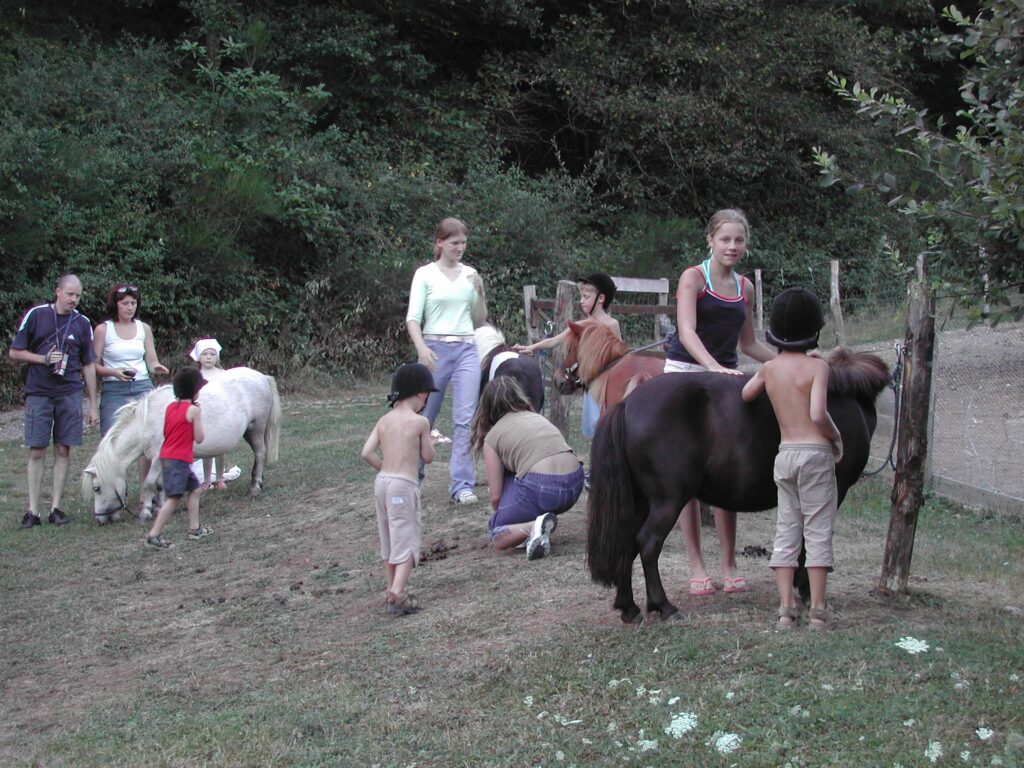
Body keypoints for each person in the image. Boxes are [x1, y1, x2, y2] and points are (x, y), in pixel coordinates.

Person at [662, 208, 777, 596]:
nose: (732, 246)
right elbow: (687, 331)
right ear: (710, 239)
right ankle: (696, 566)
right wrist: (712, 368)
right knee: (687, 476)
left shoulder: (745, 287)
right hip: (686, 375)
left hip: (725, 378)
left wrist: (789, 362)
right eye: (725, 239)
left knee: (730, 469)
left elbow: (748, 344)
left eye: (738, 240)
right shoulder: (693, 278)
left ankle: (730, 564)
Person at [741, 287, 843, 629]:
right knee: (817, 530)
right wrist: (836, 436)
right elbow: (817, 414)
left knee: (787, 529)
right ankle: (817, 610)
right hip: (814, 454)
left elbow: (746, 393)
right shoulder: (818, 367)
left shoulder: (770, 368)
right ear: (814, 330)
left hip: (784, 456)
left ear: (773, 331)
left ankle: (785, 610)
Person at [405, 217, 487, 505]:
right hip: (434, 349)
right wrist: (422, 348)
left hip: (466, 348)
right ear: (440, 243)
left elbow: (478, 320)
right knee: (424, 417)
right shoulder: (424, 274)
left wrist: (479, 291)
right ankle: (411, 477)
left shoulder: (471, 274)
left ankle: (462, 485)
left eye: (463, 243)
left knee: (465, 420)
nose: (460, 248)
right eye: (454, 243)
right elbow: (413, 318)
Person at [9, 274, 98, 528]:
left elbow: (88, 364)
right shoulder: (36, 315)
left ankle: (56, 507)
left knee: (63, 448)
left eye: (78, 295)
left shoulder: (82, 322)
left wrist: (91, 404)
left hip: (69, 392)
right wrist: (43, 359)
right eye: (70, 294)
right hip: (39, 391)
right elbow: (15, 352)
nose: (74, 299)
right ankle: (32, 511)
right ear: (57, 291)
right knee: (37, 449)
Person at [470, 377, 585, 560]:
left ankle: (532, 526)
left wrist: (504, 515)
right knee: (521, 472)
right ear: (518, 396)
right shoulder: (536, 417)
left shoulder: (492, 437)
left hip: (542, 490)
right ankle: (536, 527)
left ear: (486, 407)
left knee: (497, 532)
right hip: (575, 484)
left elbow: (496, 497)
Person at [360, 362, 438, 616]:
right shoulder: (420, 423)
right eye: (427, 392)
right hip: (403, 486)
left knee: (388, 538)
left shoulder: (384, 420)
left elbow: (366, 452)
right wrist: (431, 441)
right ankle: (398, 591)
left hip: (382, 483)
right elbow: (428, 457)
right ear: (420, 393)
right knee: (406, 537)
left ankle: (391, 588)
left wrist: (385, 467)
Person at [92, 282, 169, 518]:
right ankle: (113, 496)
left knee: (147, 444)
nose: (130, 307)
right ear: (115, 304)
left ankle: (146, 496)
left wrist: (158, 368)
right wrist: (114, 372)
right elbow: (93, 365)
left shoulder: (144, 328)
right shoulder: (104, 330)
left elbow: (151, 360)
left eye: (133, 303)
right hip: (115, 389)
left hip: (142, 387)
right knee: (115, 444)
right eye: (125, 303)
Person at [513, 273, 620, 438]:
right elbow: (554, 341)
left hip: (608, 387)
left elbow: (619, 358)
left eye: (586, 297)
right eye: (581, 297)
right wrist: (531, 347)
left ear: (601, 299)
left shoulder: (612, 325)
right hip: (591, 387)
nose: (581, 301)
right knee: (595, 431)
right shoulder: (582, 325)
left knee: (609, 429)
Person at [145, 368, 212, 549]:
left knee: (195, 489)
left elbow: (168, 431)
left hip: (168, 456)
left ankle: (194, 528)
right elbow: (199, 438)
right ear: (194, 390)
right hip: (179, 460)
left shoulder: (170, 408)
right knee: (173, 498)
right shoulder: (193, 411)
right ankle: (154, 535)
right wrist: (198, 416)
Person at [190, 338, 229, 490]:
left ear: (217, 357)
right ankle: (206, 479)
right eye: (205, 354)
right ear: (199, 357)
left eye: (212, 354)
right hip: (203, 416)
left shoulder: (223, 374)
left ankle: (220, 478)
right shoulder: (195, 375)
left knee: (221, 448)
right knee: (207, 448)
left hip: (221, 414)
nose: (208, 357)